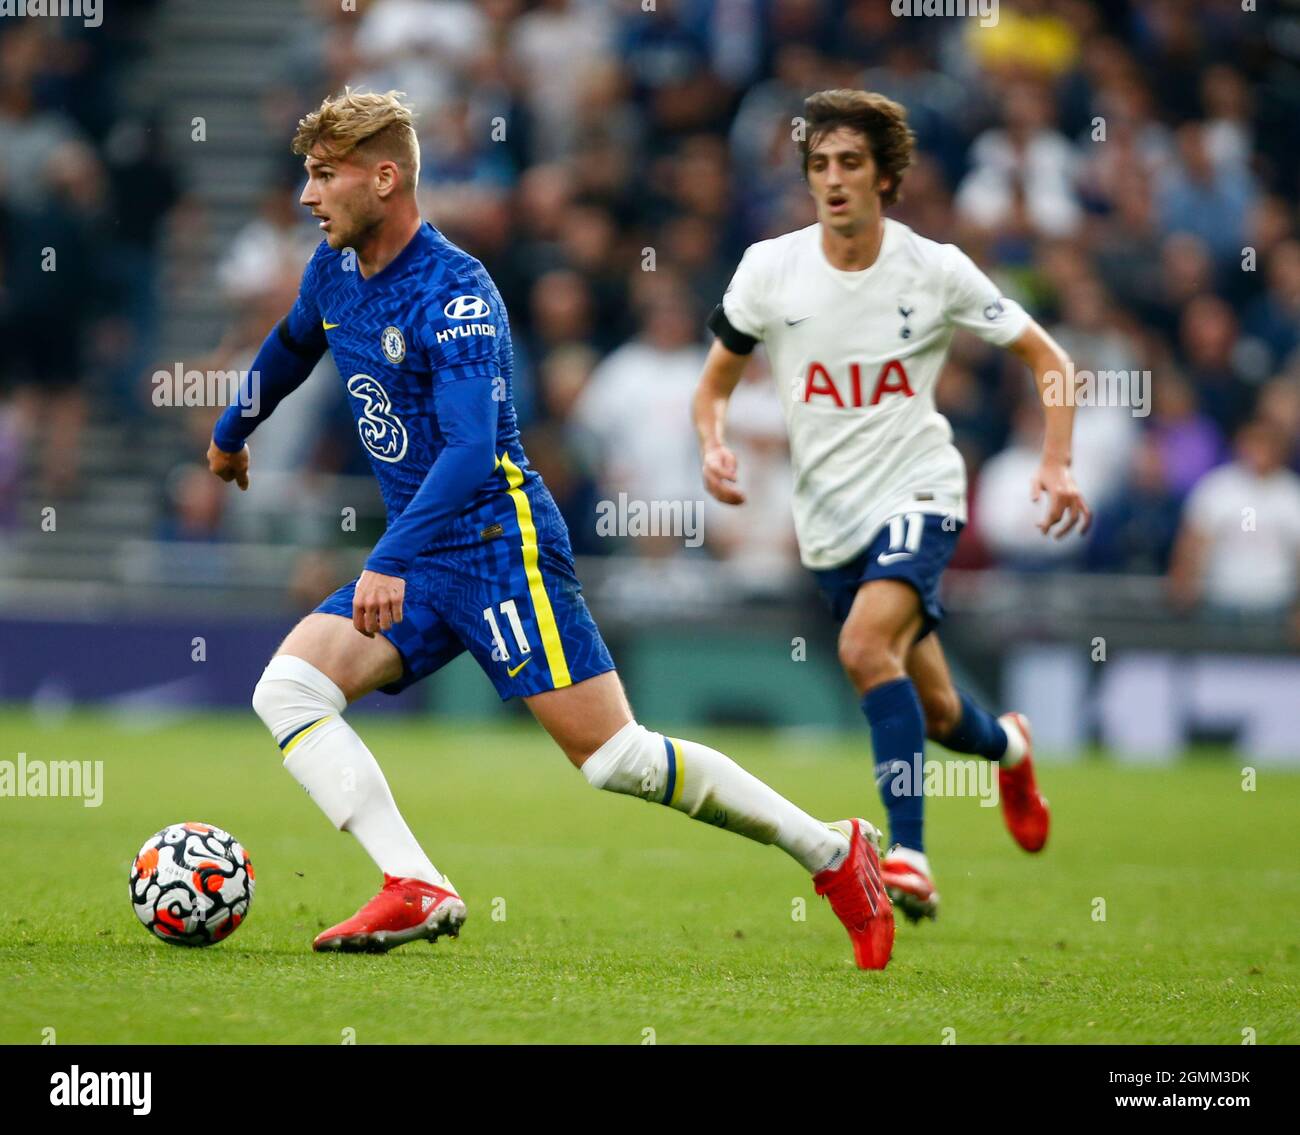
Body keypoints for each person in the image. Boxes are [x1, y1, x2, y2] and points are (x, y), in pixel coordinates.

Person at [205, 89, 895, 968]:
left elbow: (467, 452)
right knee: (289, 690)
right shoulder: (335, 270)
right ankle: (413, 882)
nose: (307, 196)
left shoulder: (455, 292)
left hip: (497, 546)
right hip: (421, 555)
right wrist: (232, 431)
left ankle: (835, 853)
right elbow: (294, 342)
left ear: (384, 178)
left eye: (323, 175)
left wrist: (384, 560)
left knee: (616, 760)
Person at [692, 89, 1092, 921]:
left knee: (864, 646)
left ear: (886, 176)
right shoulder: (770, 269)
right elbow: (714, 385)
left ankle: (907, 854)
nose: (832, 180)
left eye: (850, 164)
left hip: (921, 489)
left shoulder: (934, 268)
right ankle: (1011, 747)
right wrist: (714, 443)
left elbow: (1048, 357)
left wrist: (1056, 463)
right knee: (941, 713)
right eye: (819, 165)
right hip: (829, 523)